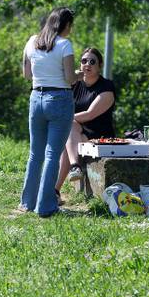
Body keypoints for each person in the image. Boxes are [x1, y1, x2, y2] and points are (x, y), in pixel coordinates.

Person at [19, 7, 81, 217]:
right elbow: (70, 78)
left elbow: (27, 74)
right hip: (60, 99)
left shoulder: (32, 41)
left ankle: (27, 202)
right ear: (65, 25)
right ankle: (45, 206)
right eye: (70, 25)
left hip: (36, 98)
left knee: (35, 154)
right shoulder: (65, 45)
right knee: (52, 154)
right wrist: (80, 75)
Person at [56, 47, 116, 198]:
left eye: (92, 61)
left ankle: (57, 187)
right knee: (69, 133)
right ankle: (56, 189)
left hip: (99, 135)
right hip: (76, 133)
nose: (87, 64)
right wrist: (71, 77)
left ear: (100, 66)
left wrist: (65, 119)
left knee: (68, 132)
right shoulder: (74, 84)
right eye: (84, 61)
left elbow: (89, 114)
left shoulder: (107, 87)